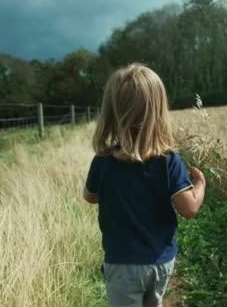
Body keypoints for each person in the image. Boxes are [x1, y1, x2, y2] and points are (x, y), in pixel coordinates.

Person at [83, 63, 206, 307]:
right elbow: (189, 208)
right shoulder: (169, 161)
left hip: (121, 263)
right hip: (160, 261)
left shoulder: (103, 162)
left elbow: (90, 196)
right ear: (158, 112)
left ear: (112, 113)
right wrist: (200, 184)